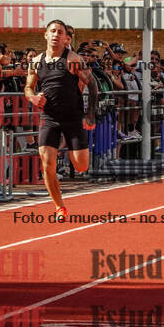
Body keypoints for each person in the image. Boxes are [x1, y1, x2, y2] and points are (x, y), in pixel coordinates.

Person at [25, 20, 98, 218]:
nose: (56, 34)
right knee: (47, 163)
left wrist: (90, 114)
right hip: (49, 117)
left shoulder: (73, 59)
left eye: (60, 32)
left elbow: (93, 86)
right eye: (53, 31)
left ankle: (71, 148)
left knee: (81, 166)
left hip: (73, 117)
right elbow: (28, 87)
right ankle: (59, 207)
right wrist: (33, 97)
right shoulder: (36, 61)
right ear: (46, 35)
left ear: (66, 38)